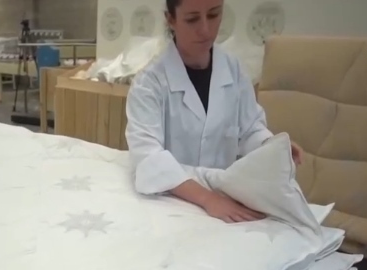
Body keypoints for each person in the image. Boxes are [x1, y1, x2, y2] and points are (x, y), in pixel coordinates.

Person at [125, 0, 302, 223]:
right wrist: (208, 199)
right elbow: (148, 158)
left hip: (226, 203)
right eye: (192, 19)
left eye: (213, 15)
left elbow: (249, 130)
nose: (205, 30)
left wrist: (272, 147)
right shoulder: (149, 83)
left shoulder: (234, 71)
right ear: (171, 19)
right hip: (171, 203)